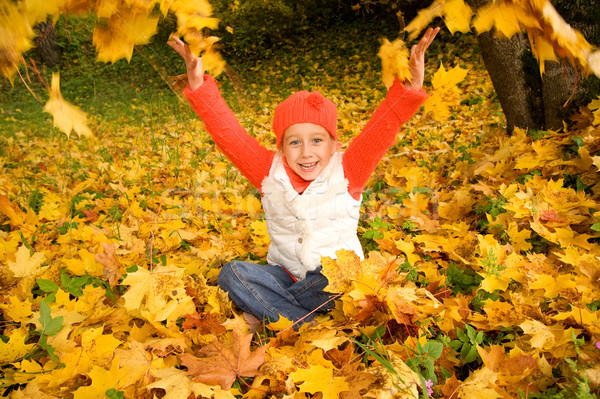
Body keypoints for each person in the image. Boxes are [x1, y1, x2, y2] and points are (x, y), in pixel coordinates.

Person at [168, 27, 439, 330]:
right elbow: (228, 132)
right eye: (294, 142)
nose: (306, 152)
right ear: (281, 147)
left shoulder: (348, 171)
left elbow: (382, 128)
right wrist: (198, 84)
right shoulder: (267, 171)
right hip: (284, 274)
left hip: (333, 280)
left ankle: (271, 312)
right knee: (232, 274)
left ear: (334, 145)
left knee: (334, 279)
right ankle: (305, 324)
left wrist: (409, 87)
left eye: (317, 141)